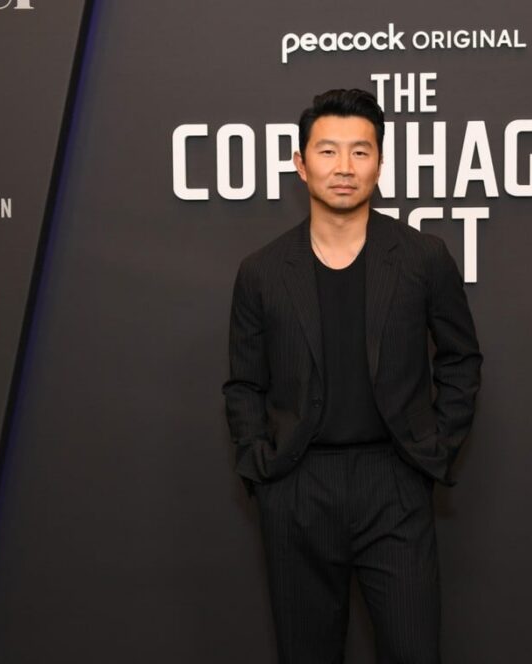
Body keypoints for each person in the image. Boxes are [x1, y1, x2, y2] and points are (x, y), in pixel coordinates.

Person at [223, 88, 482, 663]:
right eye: (328, 151)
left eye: (360, 152)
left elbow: (461, 358)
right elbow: (244, 384)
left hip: (394, 483)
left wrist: (435, 448)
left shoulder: (423, 258)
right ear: (301, 163)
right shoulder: (262, 271)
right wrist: (262, 469)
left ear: (380, 164)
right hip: (297, 487)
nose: (344, 167)